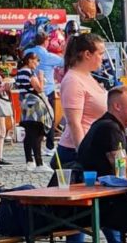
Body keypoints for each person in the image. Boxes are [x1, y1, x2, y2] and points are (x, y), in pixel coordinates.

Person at [77, 86, 127, 243]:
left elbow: (124, 163)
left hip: (99, 199)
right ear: (117, 106)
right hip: (102, 202)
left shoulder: (106, 125)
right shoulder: (110, 129)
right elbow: (123, 172)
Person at [51, 33, 107, 169]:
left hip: (92, 144)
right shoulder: (73, 80)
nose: (103, 58)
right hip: (75, 149)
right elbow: (74, 122)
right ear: (87, 54)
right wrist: (83, 154)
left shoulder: (86, 76)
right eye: (100, 54)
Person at [25, 32, 64, 156]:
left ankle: (32, 147)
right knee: (49, 119)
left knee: (33, 120)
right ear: (46, 41)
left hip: (30, 91)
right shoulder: (48, 56)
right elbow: (64, 62)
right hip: (46, 91)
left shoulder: (27, 52)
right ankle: (49, 146)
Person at [16, 52, 53, 172]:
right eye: (37, 61)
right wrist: (41, 77)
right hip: (35, 105)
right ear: (30, 60)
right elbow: (39, 88)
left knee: (29, 134)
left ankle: (29, 161)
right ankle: (39, 163)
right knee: (37, 133)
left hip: (26, 104)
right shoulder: (28, 72)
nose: (37, 64)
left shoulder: (20, 72)